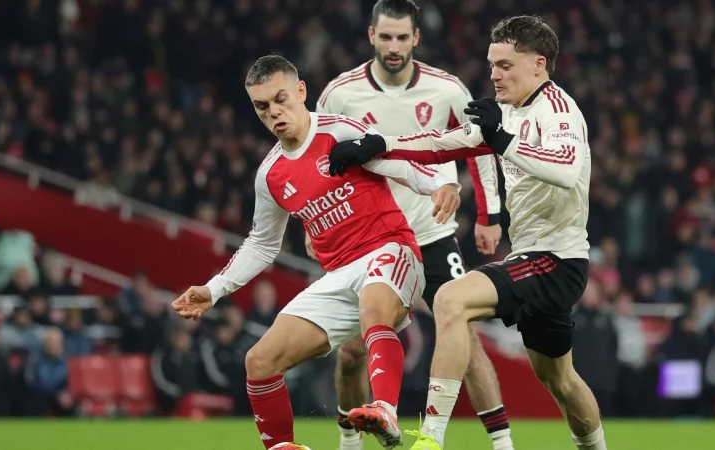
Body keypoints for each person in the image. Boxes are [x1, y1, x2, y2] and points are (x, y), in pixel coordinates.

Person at [328, 15, 608, 450]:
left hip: (558, 259)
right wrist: (379, 146)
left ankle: (431, 438)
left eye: (506, 65)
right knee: (561, 380)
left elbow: (567, 172)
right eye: (492, 63)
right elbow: (443, 142)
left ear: (539, 65)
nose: (494, 74)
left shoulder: (558, 110)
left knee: (450, 299)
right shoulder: (507, 112)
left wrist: (501, 139)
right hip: (535, 256)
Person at [171, 54, 462, 450]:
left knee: (373, 311)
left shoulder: (338, 131)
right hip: (339, 274)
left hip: (391, 249)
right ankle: (283, 447)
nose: (274, 112)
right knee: (259, 362)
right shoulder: (270, 174)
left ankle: (385, 410)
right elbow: (262, 243)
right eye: (262, 106)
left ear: (301, 91)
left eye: (281, 99)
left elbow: (396, 162)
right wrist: (215, 288)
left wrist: (441, 185)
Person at [313, 1, 513, 449]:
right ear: (371, 36)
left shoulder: (447, 90)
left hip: (432, 233)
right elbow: (318, 163)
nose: (394, 46)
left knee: (465, 336)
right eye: (386, 37)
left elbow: (479, 147)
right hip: (366, 240)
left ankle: (503, 445)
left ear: (416, 38)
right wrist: (315, 226)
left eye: (402, 37)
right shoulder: (340, 94)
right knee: (350, 352)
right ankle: (350, 443)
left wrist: (488, 215)